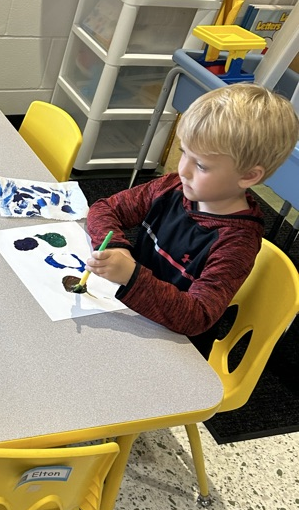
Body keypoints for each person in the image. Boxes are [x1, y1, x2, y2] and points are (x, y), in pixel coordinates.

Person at [84, 83, 299, 353]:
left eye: (201, 165)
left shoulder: (237, 241)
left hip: (177, 346)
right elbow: (104, 209)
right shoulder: (172, 187)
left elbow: (198, 317)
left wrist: (132, 275)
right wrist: (117, 246)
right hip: (133, 313)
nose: (182, 169)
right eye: (184, 151)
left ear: (248, 176)